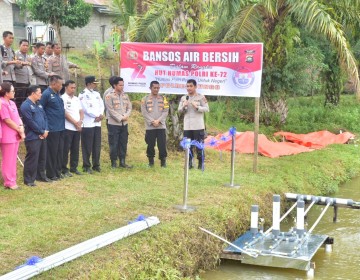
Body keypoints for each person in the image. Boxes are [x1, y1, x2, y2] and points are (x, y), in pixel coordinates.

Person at [20, 85, 51, 187]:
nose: (41, 94)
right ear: (33, 93)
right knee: (32, 158)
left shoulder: (39, 104)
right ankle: (29, 179)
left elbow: (45, 117)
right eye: (39, 93)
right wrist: (41, 132)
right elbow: (30, 122)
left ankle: (41, 176)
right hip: (33, 136)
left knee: (42, 157)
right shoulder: (25, 106)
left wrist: (46, 130)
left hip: (43, 135)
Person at [178, 79, 209, 169]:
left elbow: (207, 109)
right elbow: (179, 111)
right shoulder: (184, 98)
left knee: (199, 146)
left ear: (195, 87)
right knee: (188, 146)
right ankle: (189, 164)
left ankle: (200, 164)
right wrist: (183, 106)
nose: (189, 88)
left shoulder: (201, 97)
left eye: (191, 86)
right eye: (187, 86)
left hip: (198, 126)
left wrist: (198, 107)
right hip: (187, 126)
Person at [39, 75, 65, 181]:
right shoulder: (46, 94)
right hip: (52, 127)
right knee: (52, 152)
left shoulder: (57, 94)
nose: (62, 86)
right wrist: (45, 126)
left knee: (59, 151)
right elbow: (41, 110)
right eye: (60, 84)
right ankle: (51, 173)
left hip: (61, 127)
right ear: (54, 84)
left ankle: (58, 172)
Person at [0, 82, 25, 190]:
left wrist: (21, 126)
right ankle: (8, 182)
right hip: (8, 134)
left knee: (13, 159)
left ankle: (13, 180)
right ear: (6, 93)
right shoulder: (2, 103)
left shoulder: (12, 103)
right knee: (8, 159)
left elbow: (17, 117)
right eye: (12, 91)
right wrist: (18, 129)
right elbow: (7, 120)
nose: (14, 93)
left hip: (15, 134)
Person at [105, 76, 133, 168]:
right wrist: (120, 118)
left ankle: (122, 162)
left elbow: (129, 107)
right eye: (120, 85)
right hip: (114, 124)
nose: (122, 87)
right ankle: (113, 162)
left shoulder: (125, 95)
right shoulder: (109, 96)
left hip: (124, 124)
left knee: (123, 143)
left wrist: (126, 116)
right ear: (114, 85)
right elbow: (110, 110)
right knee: (114, 143)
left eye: (123, 85)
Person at [79, 76, 104, 173]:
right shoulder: (82, 94)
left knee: (96, 145)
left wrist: (101, 115)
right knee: (87, 145)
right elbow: (85, 109)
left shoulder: (97, 94)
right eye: (94, 83)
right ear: (89, 83)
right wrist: (96, 115)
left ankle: (96, 165)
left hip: (97, 123)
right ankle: (86, 166)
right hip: (88, 122)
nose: (96, 85)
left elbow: (101, 105)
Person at [141, 81, 169, 167]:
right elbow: (144, 112)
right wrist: (152, 121)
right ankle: (151, 162)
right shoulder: (144, 99)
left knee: (162, 145)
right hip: (150, 126)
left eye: (158, 88)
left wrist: (159, 121)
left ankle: (163, 162)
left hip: (161, 126)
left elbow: (166, 111)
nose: (156, 89)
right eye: (154, 88)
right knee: (150, 144)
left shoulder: (164, 98)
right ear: (150, 88)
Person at [61, 80, 84, 176]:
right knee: (65, 149)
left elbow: (81, 111)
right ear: (66, 87)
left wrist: (80, 122)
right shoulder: (62, 98)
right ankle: (64, 169)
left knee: (75, 149)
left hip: (77, 127)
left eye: (74, 88)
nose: (73, 90)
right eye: (71, 88)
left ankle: (74, 168)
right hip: (68, 127)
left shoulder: (76, 99)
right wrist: (75, 122)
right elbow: (65, 113)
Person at [14, 39, 32, 110]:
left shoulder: (28, 56)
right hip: (19, 81)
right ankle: (19, 116)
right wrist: (22, 64)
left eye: (27, 46)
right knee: (19, 100)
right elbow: (15, 66)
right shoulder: (16, 54)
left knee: (26, 100)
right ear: (19, 46)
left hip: (28, 81)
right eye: (23, 45)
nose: (25, 47)